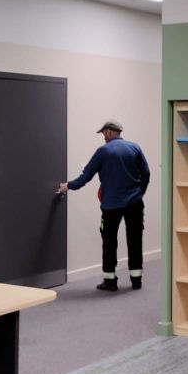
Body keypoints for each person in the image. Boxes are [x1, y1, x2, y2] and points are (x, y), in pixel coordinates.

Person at [58, 120, 150, 292]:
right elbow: (146, 172)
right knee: (135, 239)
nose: (103, 137)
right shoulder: (135, 148)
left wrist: (67, 186)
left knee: (109, 241)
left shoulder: (103, 151)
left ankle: (110, 281)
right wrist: (140, 192)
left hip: (111, 206)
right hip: (135, 203)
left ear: (108, 132)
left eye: (103, 134)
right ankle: (136, 280)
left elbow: (85, 177)